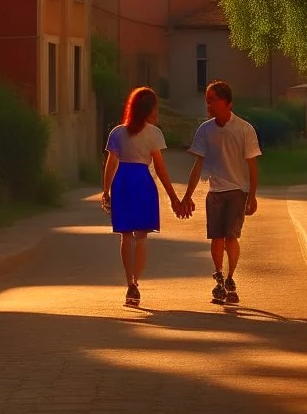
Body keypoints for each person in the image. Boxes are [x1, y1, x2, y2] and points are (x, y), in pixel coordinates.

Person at [102, 86, 184, 308]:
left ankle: (129, 282)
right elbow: (161, 169)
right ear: (150, 110)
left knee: (126, 236)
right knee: (142, 238)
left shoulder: (117, 132)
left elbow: (111, 165)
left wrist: (106, 190)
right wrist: (173, 197)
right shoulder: (154, 134)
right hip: (143, 183)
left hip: (123, 183)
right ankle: (136, 282)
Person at [181, 80, 260, 305]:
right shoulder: (205, 130)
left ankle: (231, 278)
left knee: (231, 237)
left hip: (237, 191)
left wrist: (252, 195)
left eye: (212, 100)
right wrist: (187, 196)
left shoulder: (244, 129)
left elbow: (252, 165)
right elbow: (198, 165)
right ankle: (219, 277)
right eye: (207, 101)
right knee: (216, 237)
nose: (208, 105)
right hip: (215, 191)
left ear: (226, 103)